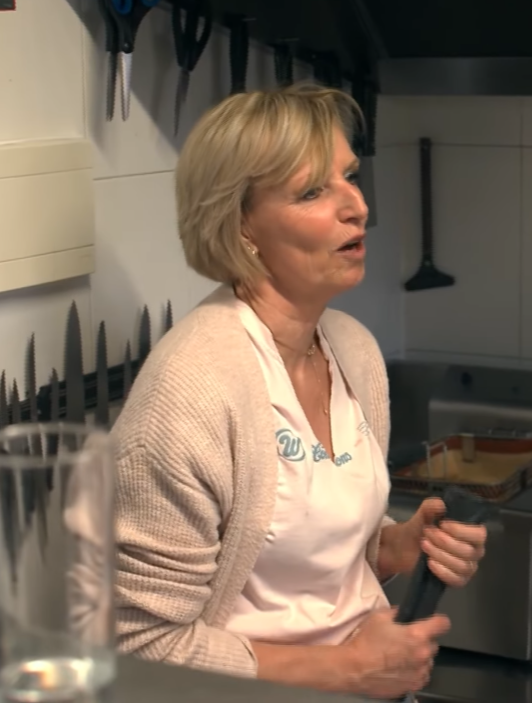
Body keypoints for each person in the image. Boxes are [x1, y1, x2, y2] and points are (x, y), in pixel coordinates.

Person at [112, 83, 487, 701]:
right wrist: (345, 670)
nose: (357, 207)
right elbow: (138, 645)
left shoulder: (352, 348)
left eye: (350, 177)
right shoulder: (189, 395)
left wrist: (396, 545)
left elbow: (304, 564)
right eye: (312, 191)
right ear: (241, 225)